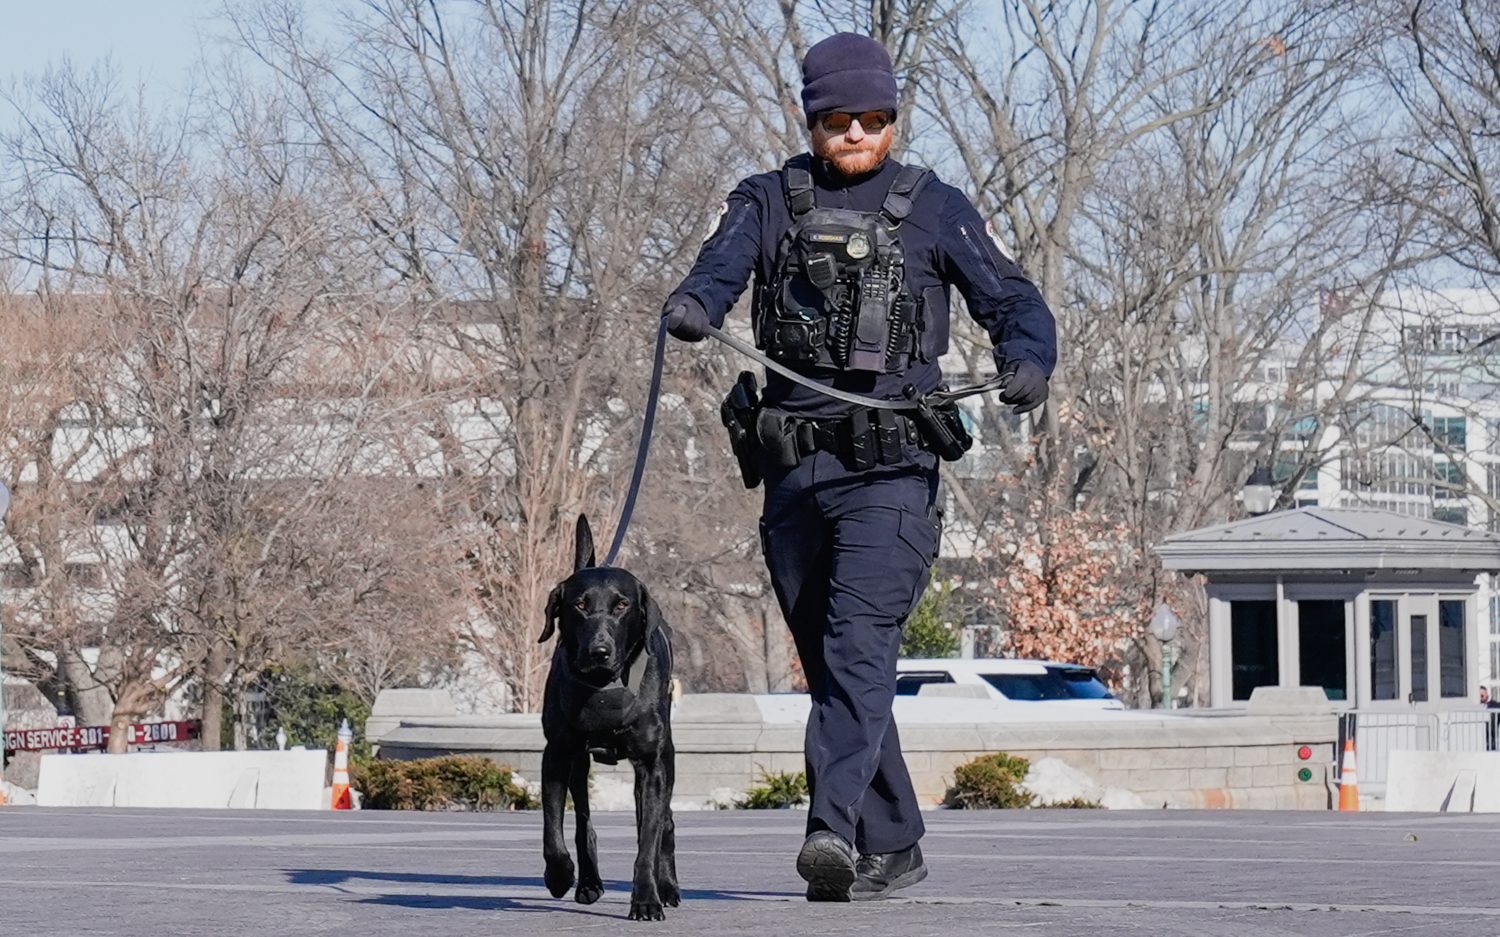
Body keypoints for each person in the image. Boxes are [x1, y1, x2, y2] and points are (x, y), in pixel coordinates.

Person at [661, 32, 1057, 901]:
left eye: (874, 118)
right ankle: (895, 840)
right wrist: (692, 306)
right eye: (839, 118)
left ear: (892, 119)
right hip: (795, 476)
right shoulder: (765, 201)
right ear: (812, 120)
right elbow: (715, 272)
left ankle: (829, 829)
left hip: (894, 476)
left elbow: (1014, 298)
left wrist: (1029, 356)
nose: (857, 132)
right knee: (838, 667)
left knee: (856, 646)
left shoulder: (936, 205)